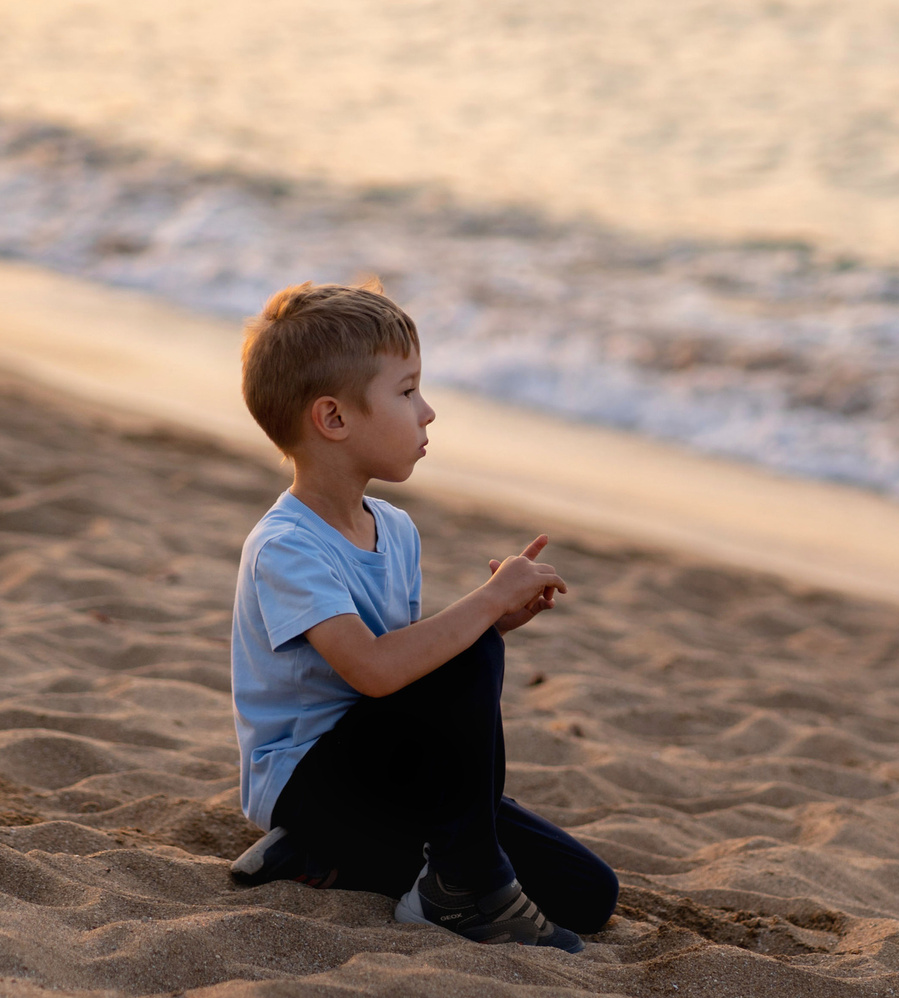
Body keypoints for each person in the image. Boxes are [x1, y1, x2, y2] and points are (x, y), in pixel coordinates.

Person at [224, 281, 615, 953]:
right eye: (406, 392)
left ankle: (327, 856)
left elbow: (411, 668)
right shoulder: (286, 546)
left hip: (388, 773)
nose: (428, 411)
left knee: (587, 893)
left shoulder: (396, 530)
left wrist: (496, 621)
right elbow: (374, 671)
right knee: (469, 647)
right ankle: (456, 884)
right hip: (311, 778)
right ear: (334, 419)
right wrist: (482, 609)